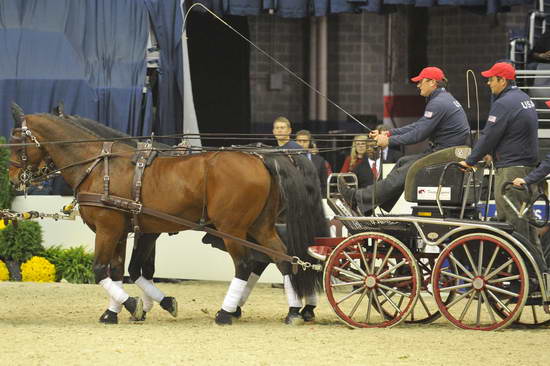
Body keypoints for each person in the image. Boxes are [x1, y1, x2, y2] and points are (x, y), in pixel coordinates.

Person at [338, 66, 470, 214]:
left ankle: (359, 198)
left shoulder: (438, 103)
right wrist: (388, 133)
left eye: (421, 81)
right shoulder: (444, 99)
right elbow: (418, 125)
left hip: (445, 154)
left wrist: (388, 142)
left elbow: (418, 135)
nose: (418, 85)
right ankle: (370, 205)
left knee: (407, 170)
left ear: (432, 82)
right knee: (402, 162)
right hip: (446, 152)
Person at [459, 62, 540, 248]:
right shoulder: (524, 98)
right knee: (525, 220)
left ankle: (525, 270)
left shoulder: (503, 103)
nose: (488, 83)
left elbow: (489, 135)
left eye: (491, 79)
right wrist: (492, 153)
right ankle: (537, 271)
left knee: (513, 222)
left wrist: (470, 160)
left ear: (502, 80)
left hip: (511, 169)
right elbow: (513, 132)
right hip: (527, 167)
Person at [295, 129, 329, 197]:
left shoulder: (320, 161)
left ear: (309, 143)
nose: (301, 144)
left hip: (315, 199)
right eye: (299, 141)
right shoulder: (289, 159)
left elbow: (324, 184)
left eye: (305, 141)